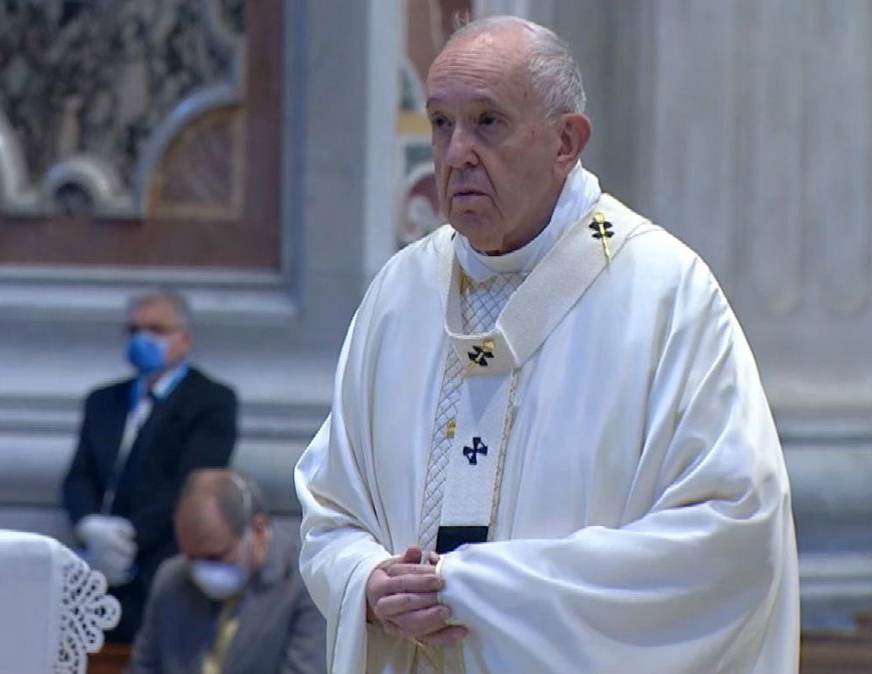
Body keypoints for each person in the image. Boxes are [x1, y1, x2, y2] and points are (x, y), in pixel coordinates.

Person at [295, 16, 798, 674]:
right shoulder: (401, 294)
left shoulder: (663, 295)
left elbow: (732, 534)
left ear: (566, 142)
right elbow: (331, 509)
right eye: (441, 123)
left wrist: (479, 592)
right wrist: (366, 583)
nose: (454, 155)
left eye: (487, 122)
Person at [63, 290, 238, 643]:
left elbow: (192, 484)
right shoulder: (103, 401)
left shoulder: (210, 401)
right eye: (133, 330)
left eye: (156, 329)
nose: (142, 339)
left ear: (184, 339)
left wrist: (129, 536)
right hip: (96, 567)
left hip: (164, 566)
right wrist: (90, 526)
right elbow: (78, 475)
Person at [127, 469, 326, 674]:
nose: (200, 571)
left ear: (257, 530)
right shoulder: (171, 578)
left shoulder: (307, 582)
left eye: (215, 557)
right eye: (191, 558)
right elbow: (143, 668)